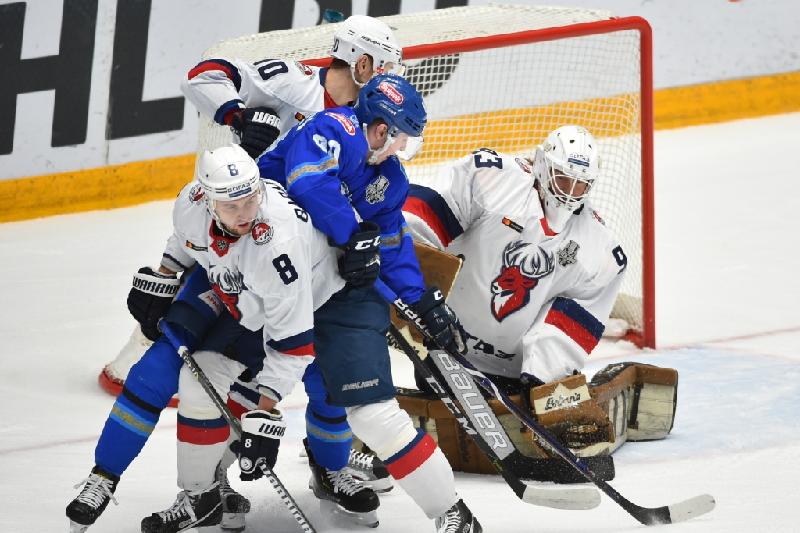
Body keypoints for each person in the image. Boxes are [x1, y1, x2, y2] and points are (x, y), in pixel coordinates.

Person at [89, 14, 403, 528]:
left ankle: (329, 466)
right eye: (385, 67)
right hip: (240, 249)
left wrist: (368, 247)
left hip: (318, 272)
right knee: (182, 367)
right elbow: (204, 75)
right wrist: (238, 114)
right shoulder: (292, 83)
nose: (391, 79)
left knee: (329, 377)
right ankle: (204, 486)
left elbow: (378, 196)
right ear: (363, 62)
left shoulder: (376, 120)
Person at [254, 72, 482, 533]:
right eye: (401, 136)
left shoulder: (390, 178)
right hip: (265, 280)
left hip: (339, 290)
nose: (403, 147)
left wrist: (421, 301)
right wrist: (353, 235)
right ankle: (203, 489)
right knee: (227, 382)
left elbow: (391, 241)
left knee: (367, 407)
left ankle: (450, 513)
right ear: (381, 128)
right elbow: (307, 183)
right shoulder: (331, 129)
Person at [399, 126, 677, 462]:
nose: (570, 193)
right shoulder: (491, 179)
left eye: (580, 184)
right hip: (442, 347)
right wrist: (408, 288)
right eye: (564, 179)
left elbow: (565, 329)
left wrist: (542, 384)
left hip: (512, 377)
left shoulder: (600, 250)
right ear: (543, 166)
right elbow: (419, 220)